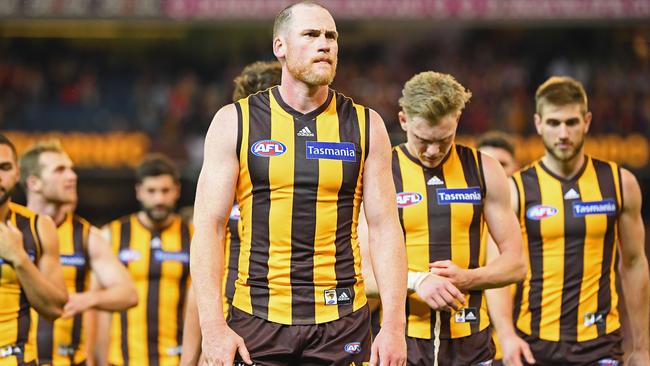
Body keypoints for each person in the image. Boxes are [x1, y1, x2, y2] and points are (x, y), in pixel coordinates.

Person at [190, 2, 408, 365]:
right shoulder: (235, 122)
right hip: (258, 318)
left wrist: (394, 326)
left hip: (341, 321)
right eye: (311, 35)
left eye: (331, 36)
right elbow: (209, 230)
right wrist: (212, 328)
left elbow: (386, 229)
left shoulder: (367, 125)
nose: (325, 44)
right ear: (280, 47)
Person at [362, 71, 527, 366]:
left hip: (471, 342)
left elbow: (515, 264)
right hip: (403, 342)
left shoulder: (485, 170)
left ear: (457, 122)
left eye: (444, 139)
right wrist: (418, 280)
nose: (434, 150)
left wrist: (469, 278)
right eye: (423, 139)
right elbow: (362, 276)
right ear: (403, 121)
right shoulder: (381, 172)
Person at [492, 76, 650, 366]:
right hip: (533, 342)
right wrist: (505, 335)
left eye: (571, 122)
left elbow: (634, 262)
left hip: (600, 344)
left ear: (587, 121)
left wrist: (642, 347)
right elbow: (499, 269)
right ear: (538, 123)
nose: (563, 133)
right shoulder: (516, 189)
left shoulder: (619, 183)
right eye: (554, 123)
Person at [180, 59, 282, 366]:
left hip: (305, 327)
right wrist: (192, 355)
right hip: (232, 333)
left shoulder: (320, 185)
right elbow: (201, 282)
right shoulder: (225, 184)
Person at [20, 140, 137, 366]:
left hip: (72, 361)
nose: (72, 176)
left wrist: (89, 298)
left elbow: (129, 293)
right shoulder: (10, 229)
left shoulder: (86, 236)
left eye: (71, 169)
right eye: (59, 170)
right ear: (34, 183)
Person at [96, 154, 192, 366]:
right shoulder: (111, 235)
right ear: (139, 191)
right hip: (122, 360)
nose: (159, 199)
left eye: (165, 191)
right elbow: (99, 306)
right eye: (151, 191)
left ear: (176, 191)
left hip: (178, 360)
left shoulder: (194, 236)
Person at [0, 134, 68, 366]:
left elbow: (56, 307)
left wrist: (19, 258)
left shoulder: (39, 226)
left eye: (4, 167)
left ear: (17, 173)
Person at [475, 132, 519, 366]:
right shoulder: (456, 224)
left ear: (517, 169)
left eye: (502, 164)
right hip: (471, 347)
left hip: (518, 346)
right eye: (487, 164)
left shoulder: (533, 228)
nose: (495, 172)